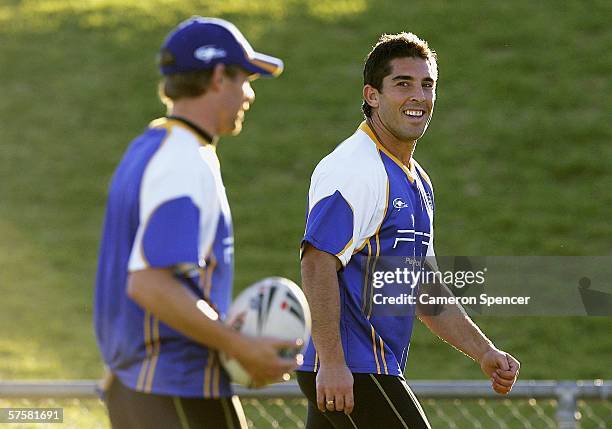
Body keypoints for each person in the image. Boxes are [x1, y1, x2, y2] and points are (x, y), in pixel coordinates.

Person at [296, 32, 520, 428]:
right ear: (371, 95)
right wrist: (332, 364)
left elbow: (423, 287)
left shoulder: (418, 181)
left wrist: (483, 351)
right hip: (355, 371)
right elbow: (317, 262)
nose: (419, 96)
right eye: (403, 84)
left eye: (427, 84)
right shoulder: (355, 168)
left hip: (357, 372)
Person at [94, 17, 300, 429]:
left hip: (138, 387)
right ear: (219, 76)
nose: (249, 94)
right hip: (178, 390)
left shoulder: (148, 147)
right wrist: (242, 346)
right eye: (246, 79)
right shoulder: (185, 160)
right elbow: (150, 282)